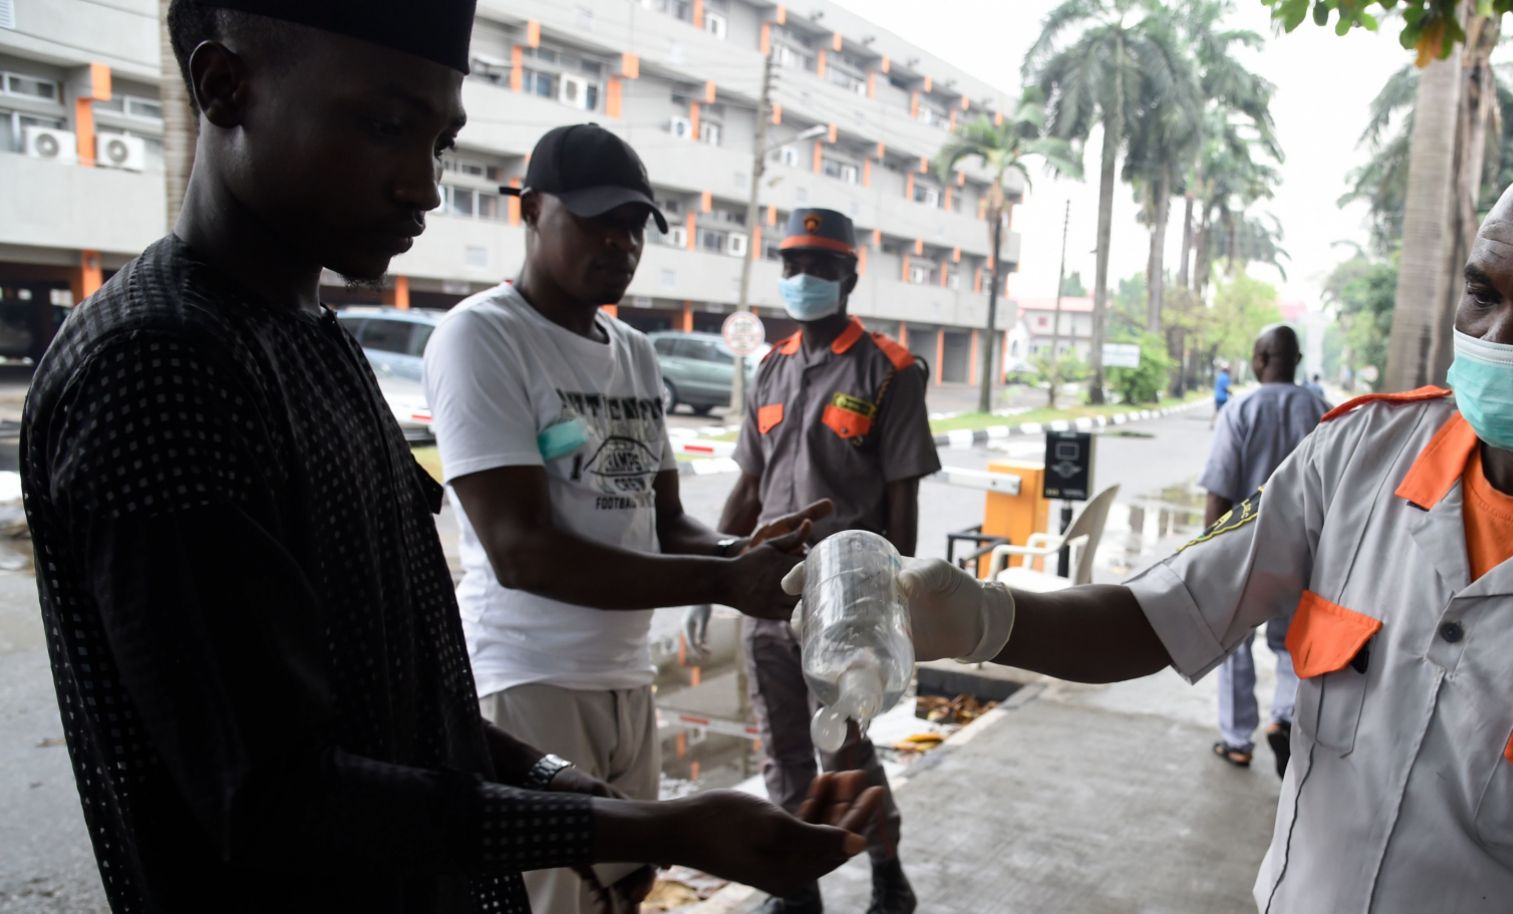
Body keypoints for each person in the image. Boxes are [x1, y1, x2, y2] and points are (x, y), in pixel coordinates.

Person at [783, 139, 1513, 913]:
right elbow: (1161, 619)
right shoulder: (1356, 458)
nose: (1501, 333)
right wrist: (973, 610)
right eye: (1484, 291)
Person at [20, 4, 880, 912]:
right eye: (386, 126)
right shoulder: (160, 367)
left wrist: (555, 783)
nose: (424, 187)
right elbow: (272, 799)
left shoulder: (310, 335)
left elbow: (396, 694)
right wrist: (652, 826)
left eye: (439, 143)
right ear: (225, 87)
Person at [422, 123, 833, 914]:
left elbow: (663, 519)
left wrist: (745, 549)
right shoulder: (482, 337)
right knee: (549, 902)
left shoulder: (635, 352)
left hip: (626, 677)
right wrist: (724, 579)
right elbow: (521, 552)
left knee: (625, 890)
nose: (621, 242)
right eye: (597, 220)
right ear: (532, 210)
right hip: (527, 682)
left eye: (635, 225)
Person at [718, 208, 940, 914]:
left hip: (846, 608)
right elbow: (749, 486)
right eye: (791, 265)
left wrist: (895, 608)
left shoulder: (889, 370)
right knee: (781, 753)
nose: (803, 279)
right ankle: (797, 891)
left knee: (846, 752)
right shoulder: (770, 368)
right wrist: (713, 576)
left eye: (819, 267)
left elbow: (901, 505)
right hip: (767, 594)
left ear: (848, 275)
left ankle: (886, 873)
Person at [1201, 325, 1326, 777]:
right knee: (1293, 644)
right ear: (1294, 360)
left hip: (1245, 551)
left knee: (1234, 645)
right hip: (1308, 552)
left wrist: (1208, 555)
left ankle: (1237, 741)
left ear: (1259, 358)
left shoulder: (1241, 409)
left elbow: (1219, 490)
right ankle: (1285, 717)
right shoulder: (1323, 410)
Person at [1211, 362, 1233, 427]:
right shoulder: (1226, 377)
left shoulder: (1220, 376)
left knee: (1216, 411)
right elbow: (1225, 388)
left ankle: (1212, 423)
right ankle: (1222, 425)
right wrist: (1231, 393)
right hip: (1223, 398)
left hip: (1217, 396)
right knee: (1224, 412)